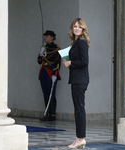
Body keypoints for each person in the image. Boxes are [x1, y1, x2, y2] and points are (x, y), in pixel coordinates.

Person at [63, 18, 90, 149]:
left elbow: (85, 62)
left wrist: (71, 63)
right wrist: (67, 61)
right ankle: (79, 137)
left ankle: (80, 138)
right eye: (75, 26)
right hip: (76, 79)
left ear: (83, 29)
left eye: (79, 27)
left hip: (80, 80)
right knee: (78, 109)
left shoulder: (82, 42)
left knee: (79, 109)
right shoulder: (75, 42)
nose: (77, 29)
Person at [37, 30, 61, 121]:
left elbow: (58, 63)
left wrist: (55, 74)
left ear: (52, 37)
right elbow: (39, 62)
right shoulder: (44, 48)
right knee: (46, 94)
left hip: (51, 72)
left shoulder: (56, 48)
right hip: (43, 72)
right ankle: (47, 113)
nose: (45, 38)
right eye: (45, 36)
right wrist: (40, 53)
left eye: (46, 36)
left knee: (51, 94)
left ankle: (52, 114)